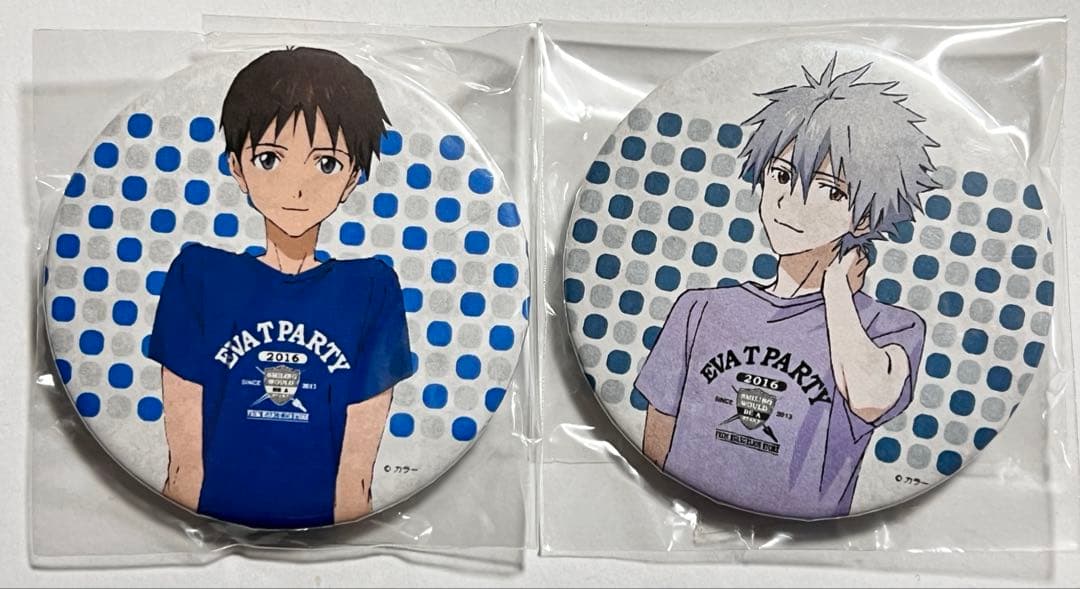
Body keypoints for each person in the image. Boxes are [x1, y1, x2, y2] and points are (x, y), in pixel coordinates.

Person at [634, 57, 936, 519]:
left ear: (862, 218)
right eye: (781, 175)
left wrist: (838, 293)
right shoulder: (699, 309)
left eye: (831, 191)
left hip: (808, 539)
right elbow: (659, 432)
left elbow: (871, 399)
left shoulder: (887, 327)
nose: (793, 201)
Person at [149, 47, 414, 528]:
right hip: (206, 515)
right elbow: (183, 465)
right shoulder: (198, 277)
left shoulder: (371, 288)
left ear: (352, 179)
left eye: (326, 163)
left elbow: (357, 476)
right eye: (269, 158)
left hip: (329, 526)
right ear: (237, 167)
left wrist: (345, 540)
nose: (297, 188)